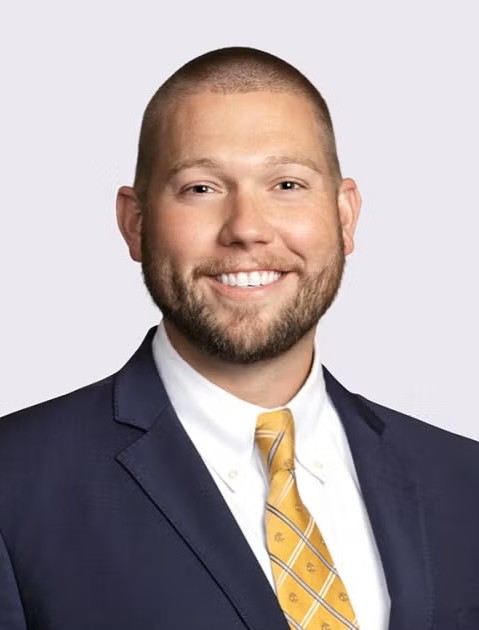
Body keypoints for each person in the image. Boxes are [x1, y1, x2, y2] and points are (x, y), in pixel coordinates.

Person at [0, 47, 478, 630]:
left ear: (345, 215)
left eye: (287, 183)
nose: (247, 228)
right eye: (201, 188)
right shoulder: (15, 483)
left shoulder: (463, 480)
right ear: (135, 222)